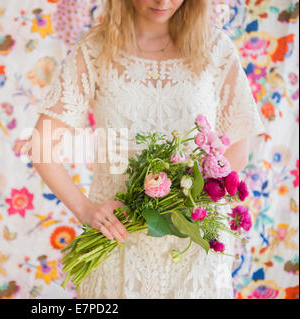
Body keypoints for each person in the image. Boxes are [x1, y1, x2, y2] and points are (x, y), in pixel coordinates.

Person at [28, 0, 265, 298]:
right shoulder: (94, 51)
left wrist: (180, 200)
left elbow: (237, 148)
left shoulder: (215, 47)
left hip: (194, 247)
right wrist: (87, 210)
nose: (163, 2)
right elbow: (40, 146)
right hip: (119, 242)